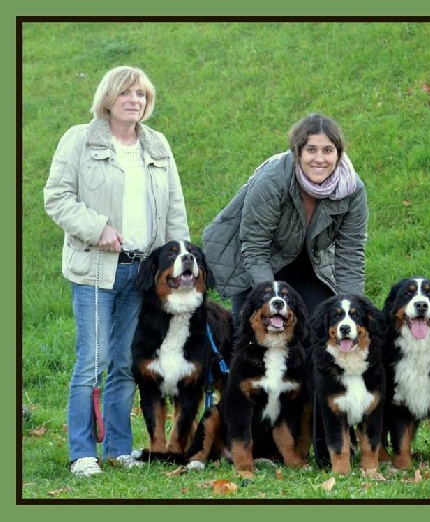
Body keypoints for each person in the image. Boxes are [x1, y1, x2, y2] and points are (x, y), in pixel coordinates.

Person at [43, 65, 190, 476]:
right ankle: (82, 452)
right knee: (93, 359)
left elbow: (175, 210)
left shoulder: (157, 145)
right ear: (108, 99)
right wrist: (98, 227)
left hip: (142, 274)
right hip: (95, 270)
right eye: (126, 93)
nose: (134, 101)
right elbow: (56, 198)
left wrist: (179, 268)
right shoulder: (79, 140)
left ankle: (118, 449)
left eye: (141, 95)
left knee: (126, 362)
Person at [203, 113, 368, 328]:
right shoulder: (273, 181)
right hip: (254, 263)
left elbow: (350, 256)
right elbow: (255, 249)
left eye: (328, 150)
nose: (319, 159)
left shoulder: (352, 190)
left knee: (320, 328)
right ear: (298, 152)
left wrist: (351, 311)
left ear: (338, 153)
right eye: (311, 150)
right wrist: (273, 302)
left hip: (305, 265)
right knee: (251, 335)